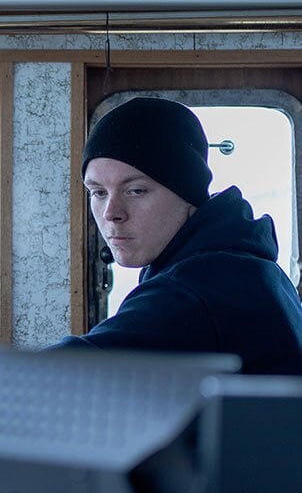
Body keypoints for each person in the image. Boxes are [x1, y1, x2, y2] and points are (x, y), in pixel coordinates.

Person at [54, 97, 302, 374]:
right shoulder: (246, 264)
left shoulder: (201, 287)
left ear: (187, 194)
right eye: (99, 192)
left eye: (136, 190)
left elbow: (66, 373)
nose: (111, 212)